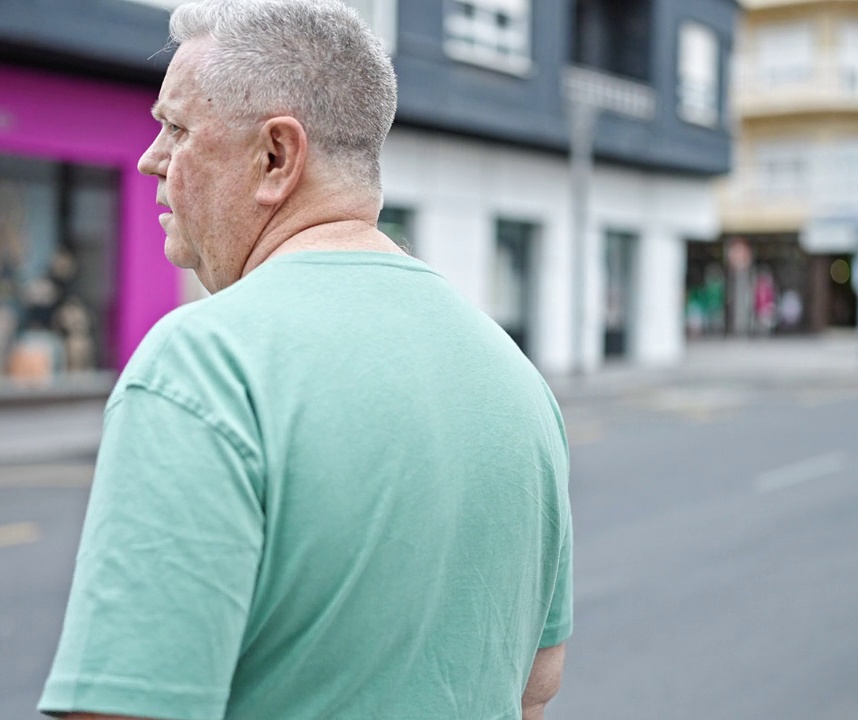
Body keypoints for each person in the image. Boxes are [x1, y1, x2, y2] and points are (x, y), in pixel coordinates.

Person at [38, 2, 573, 719]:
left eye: (176, 128)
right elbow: (535, 685)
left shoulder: (204, 364)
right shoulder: (516, 379)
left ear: (275, 157)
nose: (150, 158)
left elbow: (124, 708)